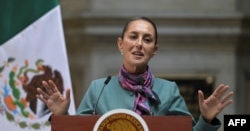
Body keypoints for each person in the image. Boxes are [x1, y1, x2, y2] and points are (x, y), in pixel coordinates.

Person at [36, 16, 234, 131]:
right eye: (133, 37)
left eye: (147, 39)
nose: (139, 43)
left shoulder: (168, 90)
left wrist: (206, 120)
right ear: (121, 44)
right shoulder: (99, 89)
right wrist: (61, 115)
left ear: (154, 50)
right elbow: (80, 130)